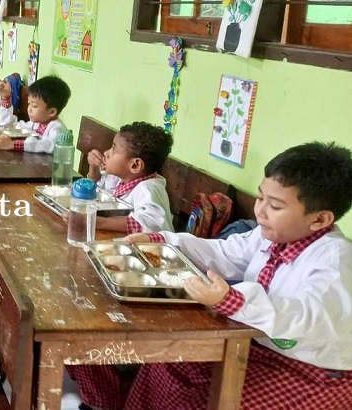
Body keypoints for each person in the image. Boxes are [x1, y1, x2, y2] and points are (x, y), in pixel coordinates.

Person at [78, 142, 352, 410]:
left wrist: (233, 300)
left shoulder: (335, 261)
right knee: (167, 364)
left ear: (319, 220)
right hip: (251, 343)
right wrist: (162, 240)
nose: (260, 212)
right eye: (260, 198)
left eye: (276, 207)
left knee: (200, 400)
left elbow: (306, 317)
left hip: (310, 370)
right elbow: (225, 252)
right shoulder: (272, 235)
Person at [85, 121, 175, 234]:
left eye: (114, 149)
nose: (107, 153)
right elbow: (97, 189)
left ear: (135, 165)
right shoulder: (120, 177)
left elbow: (150, 223)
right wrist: (93, 167)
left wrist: (95, 222)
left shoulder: (149, 189)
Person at [0, 75, 70, 154]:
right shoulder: (37, 123)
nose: (29, 109)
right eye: (29, 103)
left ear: (52, 112)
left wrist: (13, 144)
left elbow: (47, 145)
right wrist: (6, 97)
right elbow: (11, 126)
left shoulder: (57, 128)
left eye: (34, 106)